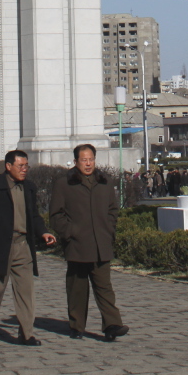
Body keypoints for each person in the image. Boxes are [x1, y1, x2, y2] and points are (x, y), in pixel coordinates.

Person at [0, 149, 56, 344]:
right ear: (8, 166)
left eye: (26, 166)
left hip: (23, 246)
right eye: (20, 166)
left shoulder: (29, 188)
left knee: (26, 291)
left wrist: (43, 232)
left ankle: (27, 334)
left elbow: (33, 215)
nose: (24, 169)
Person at [49, 145, 129, 341]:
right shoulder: (64, 184)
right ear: (76, 161)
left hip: (101, 244)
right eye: (84, 160)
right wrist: (70, 232)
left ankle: (112, 324)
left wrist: (108, 229)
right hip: (77, 245)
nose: (88, 163)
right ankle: (77, 326)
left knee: (104, 287)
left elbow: (113, 211)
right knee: (77, 288)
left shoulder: (105, 182)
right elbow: (56, 215)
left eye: (91, 159)